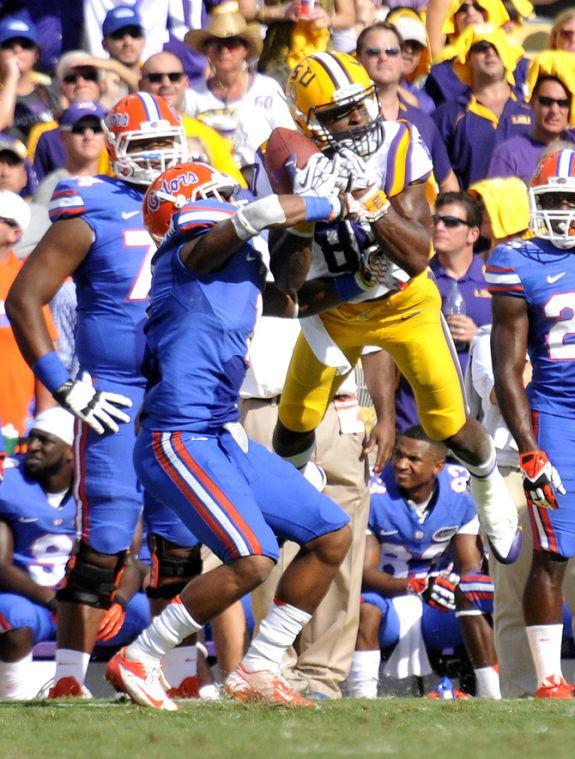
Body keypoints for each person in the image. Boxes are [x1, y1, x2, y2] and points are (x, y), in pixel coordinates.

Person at [101, 160, 353, 710]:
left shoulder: (233, 265)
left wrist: (367, 278)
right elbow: (258, 212)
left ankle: (260, 667)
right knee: (253, 558)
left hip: (221, 434)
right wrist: (326, 201)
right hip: (179, 436)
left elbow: (292, 301)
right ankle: (142, 655)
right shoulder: (183, 256)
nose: (228, 198)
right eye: (214, 193)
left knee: (332, 534)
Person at [263, 51, 522, 570]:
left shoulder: (399, 141)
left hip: (404, 303)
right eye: (341, 114)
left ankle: (488, 481)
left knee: (450, 423)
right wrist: (303, 214)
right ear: (306, 122)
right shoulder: (280, 157)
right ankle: (291, 499)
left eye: (361, 106)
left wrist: (367, 197)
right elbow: (289, 289)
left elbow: (416, 253)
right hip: (332, 309)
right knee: (294, 421)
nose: (360, 120)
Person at [5, 92, 192, 699]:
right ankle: (67, 679)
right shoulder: (94, 204)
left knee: (180, 538)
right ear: (118, 149)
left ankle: (182, 677)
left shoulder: (205, 200)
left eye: (168, 145)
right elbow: (23, 297)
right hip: (113, 391)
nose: (160, 158)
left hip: (183, 392)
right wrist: (63, 383)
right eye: (147, 146)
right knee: (104, 537)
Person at [486, 146, 575, 698]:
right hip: (558, 414)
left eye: (572, 198)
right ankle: (548, 679)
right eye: (554, 199)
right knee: (552, 547)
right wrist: (529, 447)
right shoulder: (518, 261)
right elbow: (507, 370)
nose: (564, 209)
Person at [0, 407, 150, 699]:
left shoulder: (102, 489)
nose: (32, 447)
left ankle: (137, 688)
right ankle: (12, 699)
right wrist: (54, 600)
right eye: (32, 438)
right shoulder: (12, 486)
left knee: (150, 614)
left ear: (71, 451)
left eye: (45, 441)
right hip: (33, 598)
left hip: (92, 598)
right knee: (13, 618)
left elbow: (130, 561)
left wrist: (117, 601)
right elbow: (0, 565)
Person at [347, 426, 500, 699]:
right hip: (387, 596)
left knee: (474, 590)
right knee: (366, 607)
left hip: (437, 601)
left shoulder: (460, 490)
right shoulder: (376, 491)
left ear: (438, 466)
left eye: (413, 459)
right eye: (398, 455)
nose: (401, 465)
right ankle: (363, 697)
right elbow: (363, 573)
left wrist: (451, 587)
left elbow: (469, 567)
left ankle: (492, 696)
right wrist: (414, 585)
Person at [184, 10, 295, 173]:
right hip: (211, 183)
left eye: (232, 43)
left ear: (246, 49)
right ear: (206, 49)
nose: (224, 50)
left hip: (263, 179)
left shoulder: (267, 88)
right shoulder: (192, 95)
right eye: (215, 43)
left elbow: (288, 139)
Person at [355, 21, 459, 193]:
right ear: (358, 59)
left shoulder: (422, 120)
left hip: (419, 218)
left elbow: (448, 183)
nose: (383, 58)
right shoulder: (345, 119)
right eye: (374, 52)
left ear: (401, 60)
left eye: (392, 52)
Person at [432, 24, 532, 189]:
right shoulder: (447, 116)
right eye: (481, 47)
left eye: (497, 47)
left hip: (526, 213)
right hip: (471, 212)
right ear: (468, 59)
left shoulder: (533, 112)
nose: (490, 52)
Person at [139, 51, 245, 186]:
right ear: (141, 85)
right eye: (156, 78)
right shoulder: (123, 134)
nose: (166, 83)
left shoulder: (208, 136)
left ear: (185, 83)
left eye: (174, 77)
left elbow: (237, 188)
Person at [0, 189, 55, 439]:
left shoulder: (24, 282)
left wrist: (45, 420)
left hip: (13, 430)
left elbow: (45, 350)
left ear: (15, 232)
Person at [487, 51, 575, 184]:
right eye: (546, 101)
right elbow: (497, 203)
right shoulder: (508, 154)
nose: (554, 110)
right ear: (532, 102)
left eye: (562, 103)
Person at [33, 100, 108, 206]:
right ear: (63, 137)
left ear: (105, 136)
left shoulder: (112, 185)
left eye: (96, 129)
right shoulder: (53, 188)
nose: (89, 136)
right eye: (79, 129)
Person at [0, 17, 60, 143]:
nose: (17, 50)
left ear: (36, 54)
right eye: (8, 45)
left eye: (25, 45)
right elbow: (2, 123)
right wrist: (12, 77)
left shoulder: (50, 86)